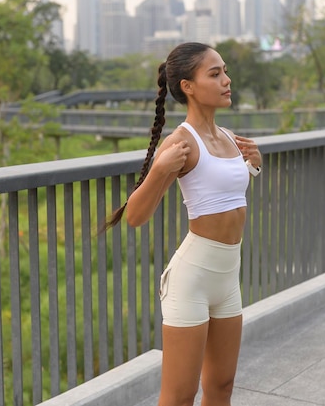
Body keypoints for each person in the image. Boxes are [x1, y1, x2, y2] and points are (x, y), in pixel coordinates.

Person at [104, 42, 262, 406]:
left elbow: (226, 192)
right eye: (215, 73)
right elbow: (135, 217)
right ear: (188, 86)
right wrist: (160, 168)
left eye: (224, 71)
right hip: (191, 281)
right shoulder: (181, 143)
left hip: (227, 278)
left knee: (222, 386)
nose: (227, 79)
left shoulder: (227, 138)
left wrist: (254, 163)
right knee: (179, 396)